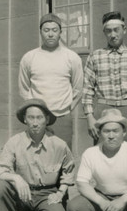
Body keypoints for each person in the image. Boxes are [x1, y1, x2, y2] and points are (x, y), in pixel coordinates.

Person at [0, 98, 75, 211]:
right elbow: (0, 170)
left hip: (47, 194)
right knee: (0, 186)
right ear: (25, 119)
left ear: (47, 119)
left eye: (39, 117)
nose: (35, 123)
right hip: (23, 194)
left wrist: (60, 193)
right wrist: (16, 179)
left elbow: (68, 172)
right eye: (31, 117)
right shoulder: (14, 142)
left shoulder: (59, 145)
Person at [82, 11, 127, 144]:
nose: (113, 35)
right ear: (104, 33)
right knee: (102, 153)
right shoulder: (95, 56)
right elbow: (87, 89)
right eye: (108, 31)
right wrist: (90, 117)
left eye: (116, 30)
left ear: (124, 30)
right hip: (102, 110)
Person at [18, 13, 83, 149]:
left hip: (62, 117)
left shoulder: (72, 57)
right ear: (40, 32)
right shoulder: (29, 57)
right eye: (46, 30)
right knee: (36, 156)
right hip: (37, 118)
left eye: (54, 30)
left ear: (61, 32)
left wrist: (67, 108)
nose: (50, 34)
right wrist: (34, 110)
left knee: (63, 157)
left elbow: (78, 88)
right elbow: (24, 88)